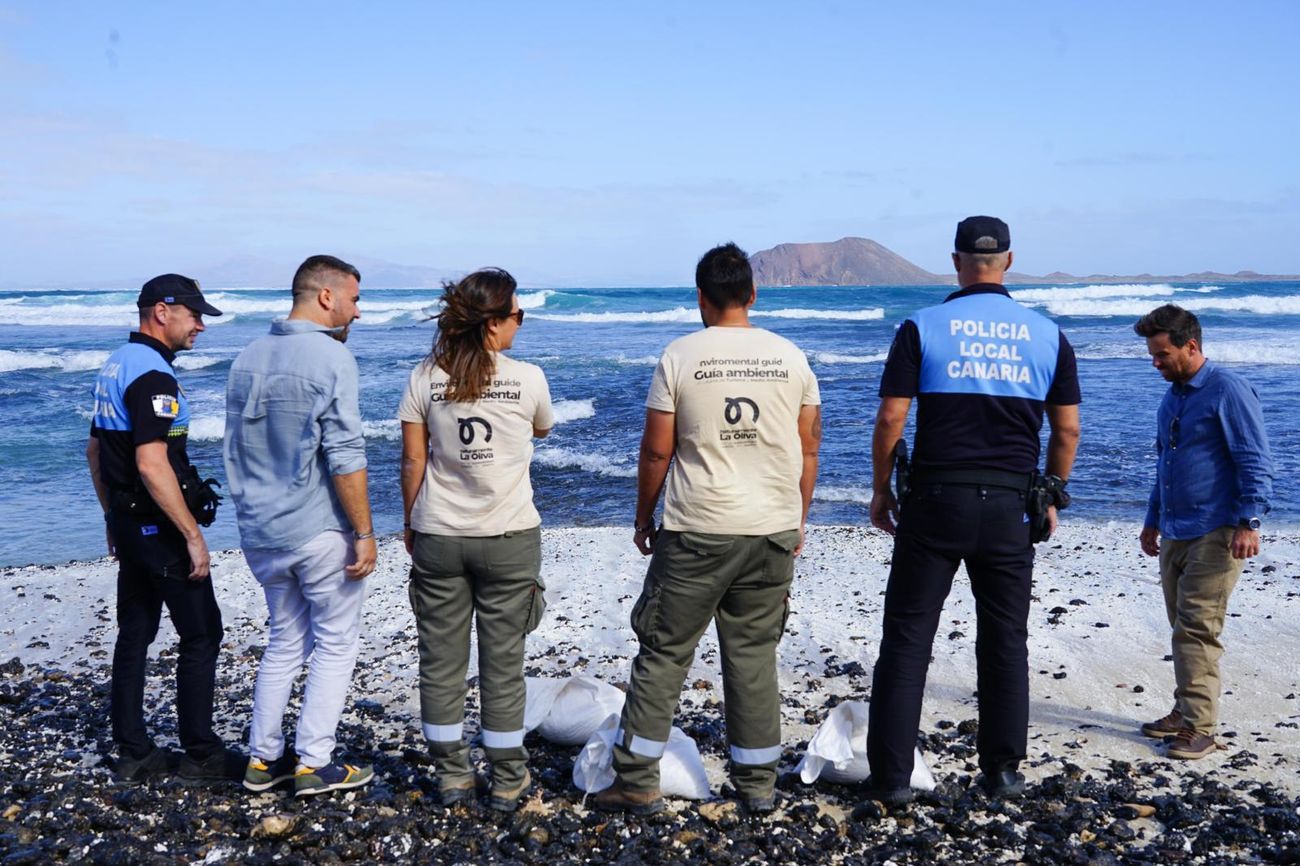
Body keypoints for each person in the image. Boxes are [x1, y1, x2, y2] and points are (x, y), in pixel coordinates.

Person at [595, 242, 822, 816]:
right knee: (752, 656)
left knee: (665, 652)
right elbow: (809, 445)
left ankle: (637, 780)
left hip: (697, 529)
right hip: (770, 529)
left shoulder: (681, 356)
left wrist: (644, 515)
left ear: (701, 297)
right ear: (751, 294)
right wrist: (797, 517)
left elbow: (656, 451)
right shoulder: (790, 356)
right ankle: (758, 786)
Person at [865, 216, 1081, 803]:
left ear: (956, 262)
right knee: (1006, 639)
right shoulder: (1046, 334)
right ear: (1008, 261)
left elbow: (891, 418)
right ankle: (1003, 771)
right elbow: (1067, 429)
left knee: (908, 640)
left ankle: (891, 779)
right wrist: (1052, 491)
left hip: (936, 499)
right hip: (1010, 504)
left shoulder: (922, 326)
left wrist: (882, 488)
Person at [398, 268, 554, 812]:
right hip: (509, 534)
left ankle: (452, 776)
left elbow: (414, 458)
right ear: (493, 323)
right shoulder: (528, 378)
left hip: (439, 530)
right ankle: (508, 780)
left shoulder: (424, 376)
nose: (520, 324)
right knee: (503, 661)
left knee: (439, 661)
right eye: (516, 315)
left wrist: (411, 522)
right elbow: (541, 428)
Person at [223, 254, 378, 797]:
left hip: (259, 530)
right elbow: (345, 454)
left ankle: (262, 760)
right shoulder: (331, 360)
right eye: (355, 300)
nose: (358, 313)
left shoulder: (246, 357)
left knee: (284, 640)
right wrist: (364, 531)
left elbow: (239, 447)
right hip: (316, 527)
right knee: (336, 643)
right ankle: (315, 761)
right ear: (327, 296)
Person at [87, 274, 243, 785]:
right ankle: (201, 754)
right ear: (161, 311)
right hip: (158, 526)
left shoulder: (116, 363)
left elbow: (96, 450)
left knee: (135, 632)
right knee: (202, 633)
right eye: (193, 315)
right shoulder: (153, 376)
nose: (199, 325)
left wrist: (111, 515)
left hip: (130, 524)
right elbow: (153, 463)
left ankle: (133, 750)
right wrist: (192, 536)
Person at [1133, 304, 1273, 759]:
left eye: (1162, 354)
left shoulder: (1227, 390)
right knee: (1182, 627)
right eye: (1152, 355)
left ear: (1191, 346)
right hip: (1175, 528)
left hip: (1218, 530)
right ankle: (1184, 709)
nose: (1155, 363)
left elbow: (1253, 458)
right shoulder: (1171, 396)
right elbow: (1164, 464)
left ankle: (1200, 727)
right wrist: (1153, 519)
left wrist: (1249, 522)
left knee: (1196, 629)